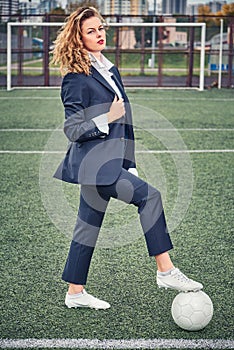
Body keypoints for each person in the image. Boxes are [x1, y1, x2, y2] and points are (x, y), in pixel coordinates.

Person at [52, 6, 203, 310]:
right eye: (91, 30)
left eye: (101, 28)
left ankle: (75, 292)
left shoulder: (109, 69)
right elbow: (72, 128)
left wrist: (129, 163)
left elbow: (126, 120)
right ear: (78, 38)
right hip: (94, 166)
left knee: (87, 228)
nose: (99, 34)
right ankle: (166, 271)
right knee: (150, 197)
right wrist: (106, 117)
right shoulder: (76, 78)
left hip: (111, 164)